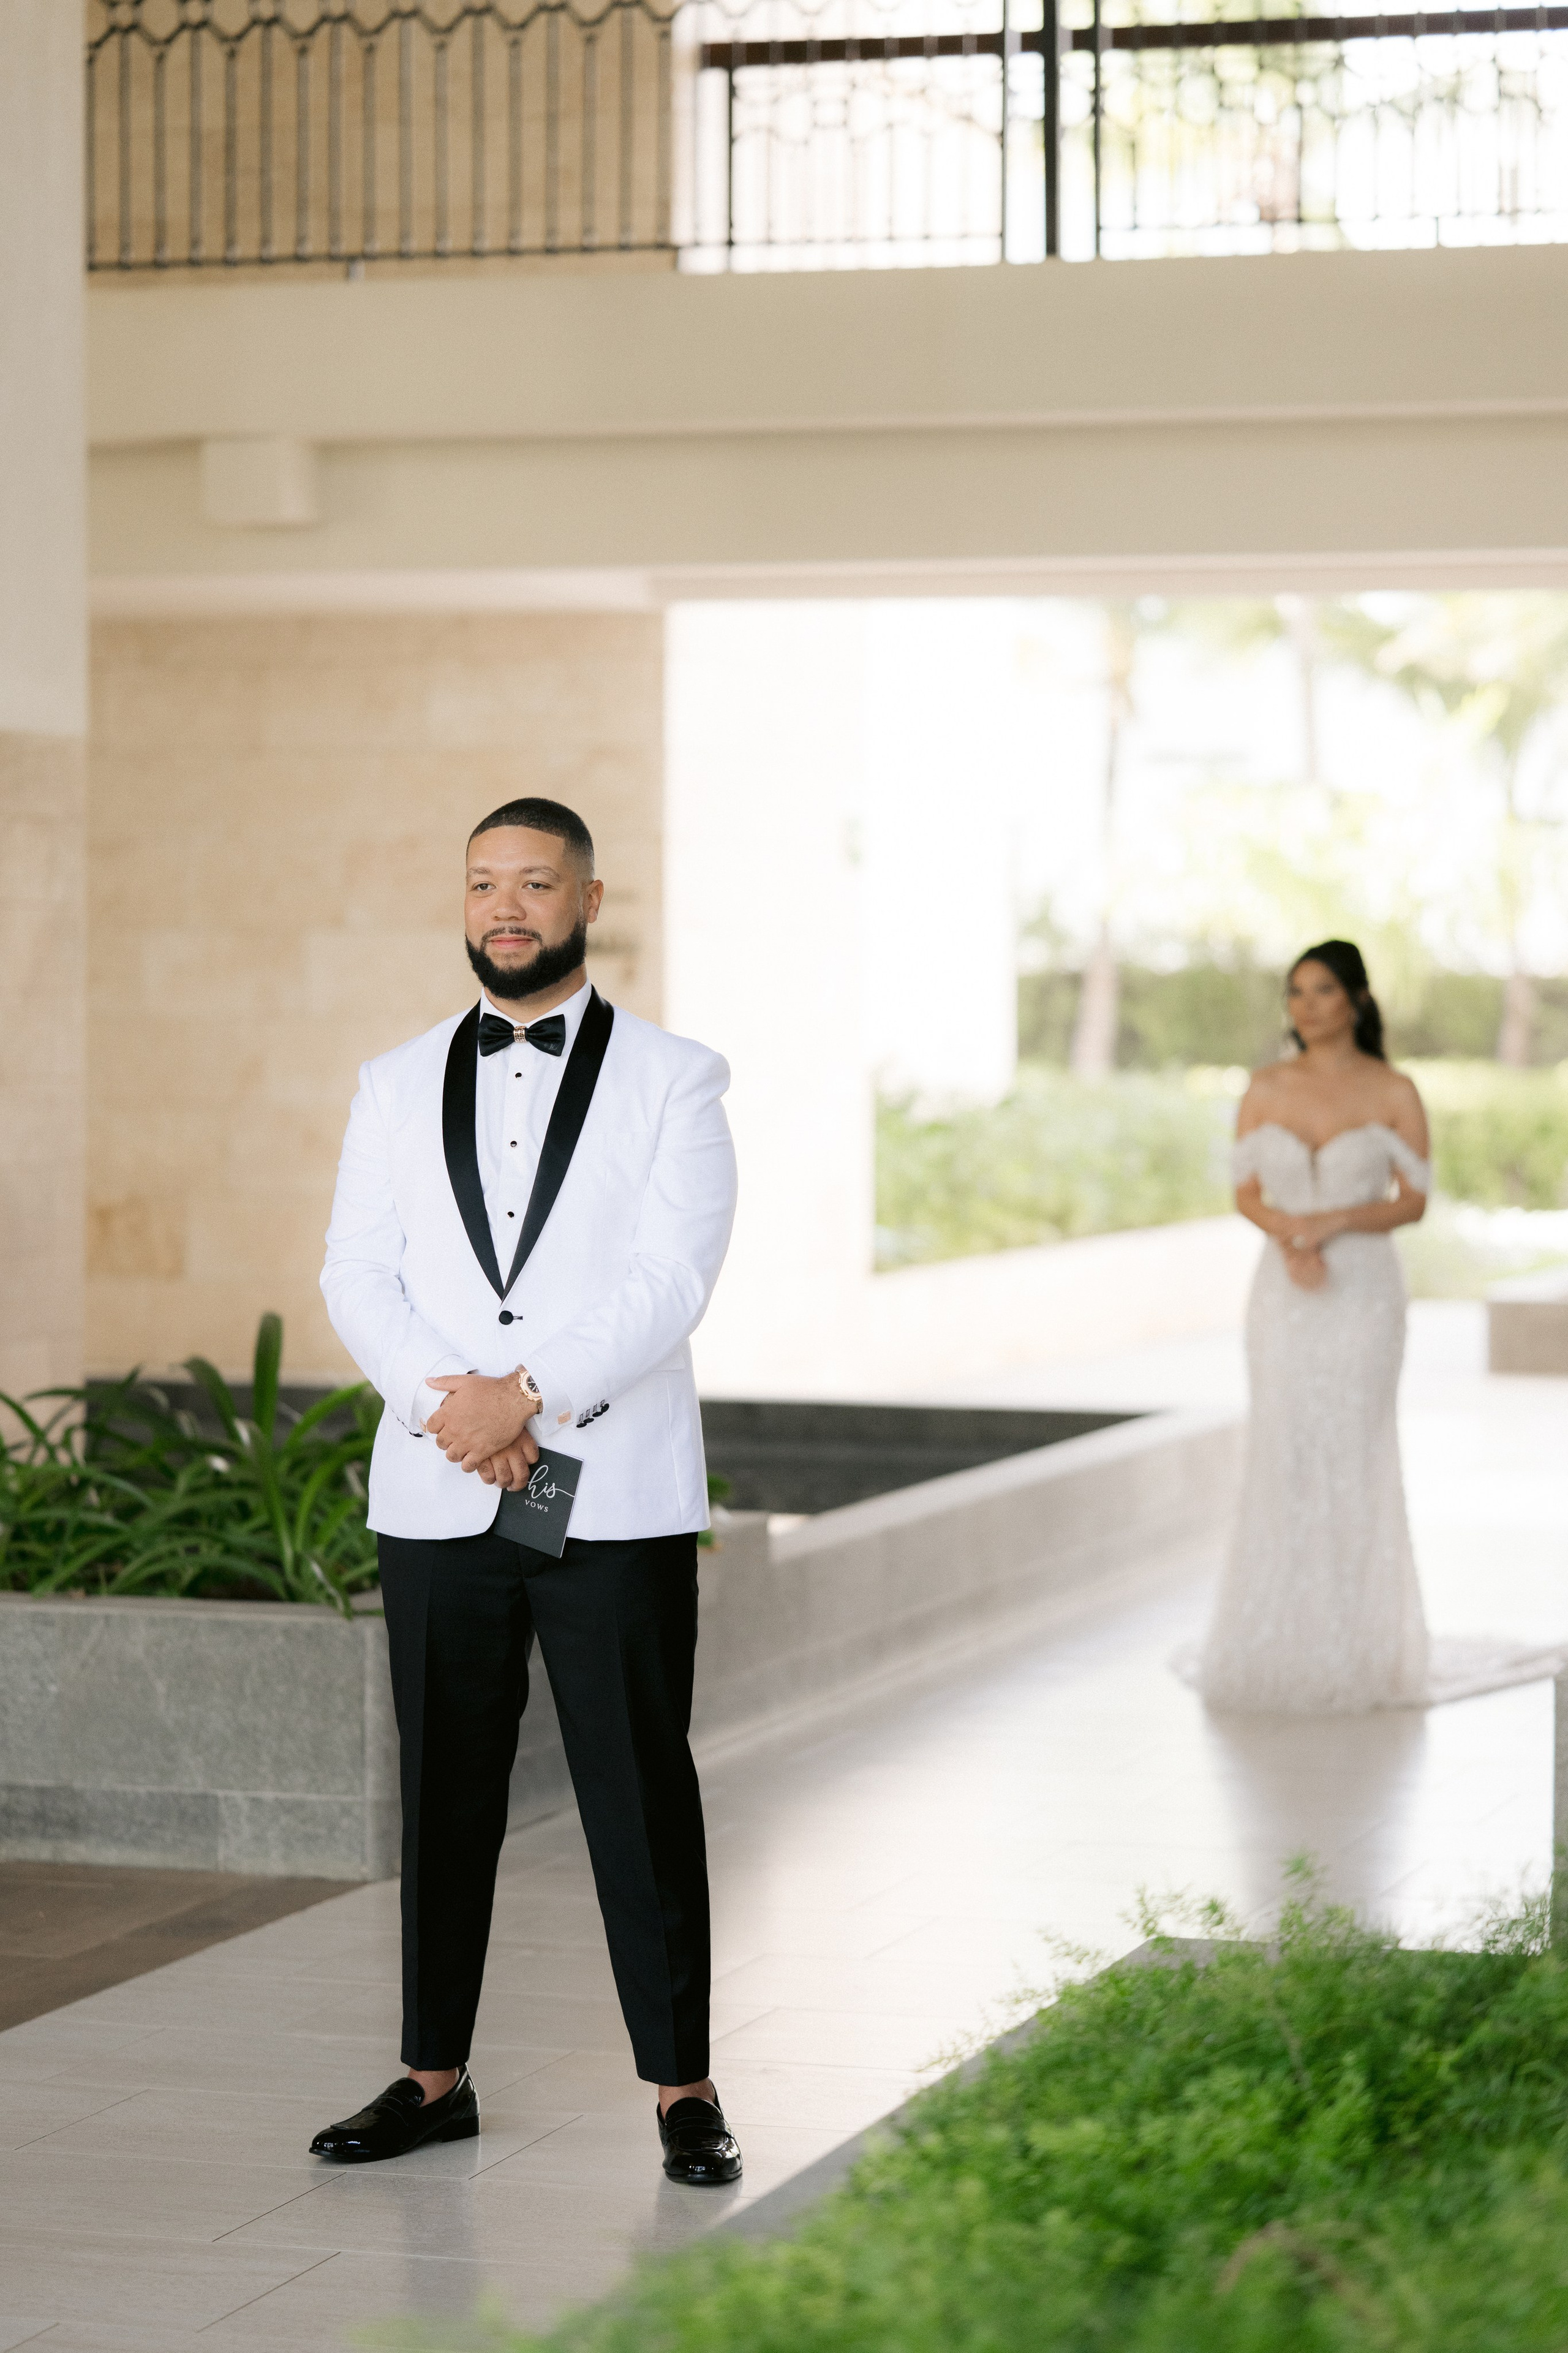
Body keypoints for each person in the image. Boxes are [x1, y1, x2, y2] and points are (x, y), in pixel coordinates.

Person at [309, 795, 742, 2185]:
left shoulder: (677, 1076)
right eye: (484, 882)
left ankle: (683, 2084)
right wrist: (458, 1406)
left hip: (607, 1490)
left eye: (535, 882)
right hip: (440, 1487)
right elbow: (354, 1273)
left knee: (636, 1786)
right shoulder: (389, 1080)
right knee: (442, 1789)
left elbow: (668, 1280)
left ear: (588, 897)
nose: (506, 905)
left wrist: (529, 1398)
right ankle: (431, 2072)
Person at [1191, 940, 1564, 1715]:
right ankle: (1274, 1635)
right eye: (1295, 993)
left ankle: (1362, 1644)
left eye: (1321, 990)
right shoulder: (1264, 1086)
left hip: (1361, 1292)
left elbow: (1413, 1199)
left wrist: (1329, 1224)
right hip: (1283, 1294)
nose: (1305, 1006)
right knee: (1285, 1447)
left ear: (1356, 999)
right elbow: (1245, 1191)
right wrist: (1292, 1238)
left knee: (1355, 1447)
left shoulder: (1394, 1089)